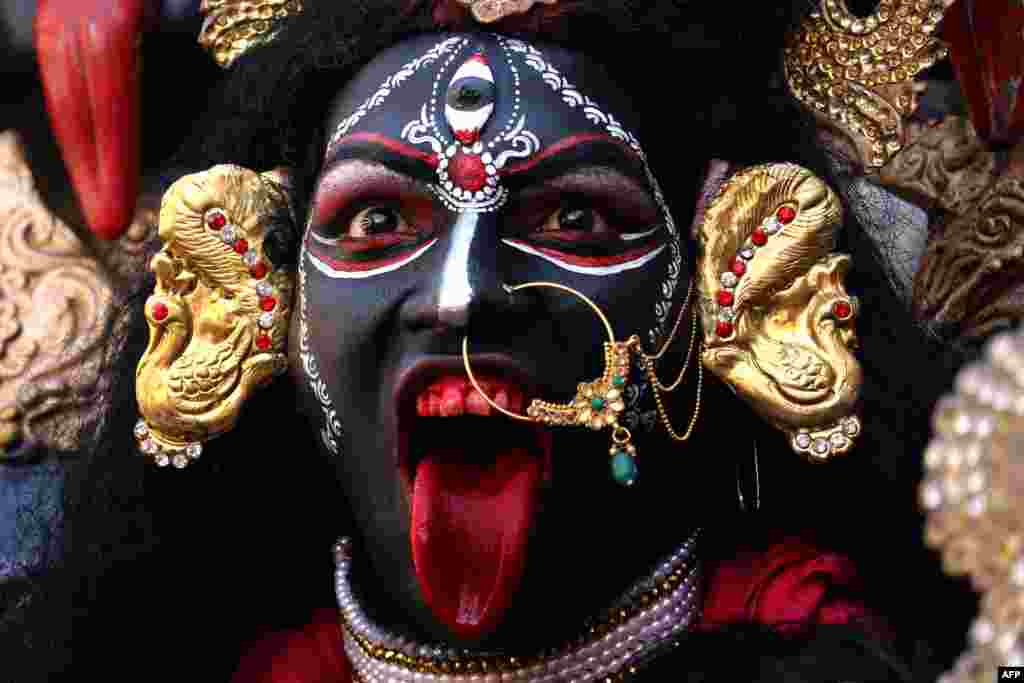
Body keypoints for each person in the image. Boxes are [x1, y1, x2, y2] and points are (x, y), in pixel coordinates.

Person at [0, 0, 1006, 680]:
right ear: (259, 300)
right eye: (375, 223)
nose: (461, 294)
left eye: (574, 220)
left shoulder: (846, 643)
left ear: (727, 281)